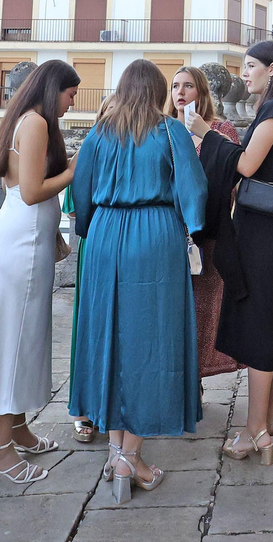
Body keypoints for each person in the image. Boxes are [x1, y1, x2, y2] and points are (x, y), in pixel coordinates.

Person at [69, 59, 208, 502]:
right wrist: (190, 226)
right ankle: (131, 456)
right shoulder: (170, 131)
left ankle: (115, 451)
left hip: (106, 238)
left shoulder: (99, 133)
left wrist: (96, 228)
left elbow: (81, 196)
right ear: (157, 90)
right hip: (155, 238)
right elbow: (195, 193)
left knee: (108, 338)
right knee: (150, 342)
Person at [0, 60, 80, 484]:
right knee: (12, 344)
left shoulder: (27, 120)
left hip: (24, 241)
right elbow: (32, 192)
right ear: (56, 91)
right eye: (71, 95)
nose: (72, 103)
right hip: (21, 245)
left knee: (23, 338)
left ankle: (17, 429)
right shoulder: (36, 124)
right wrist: (74, 168)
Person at [211, 40, 273, 464]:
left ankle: (255, 431)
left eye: (250, 66)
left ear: (272, 68)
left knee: (261, 326)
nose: (243, 74)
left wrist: (204, 136)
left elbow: (246, 165)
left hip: (262, 231)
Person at [168, 65, 241, 380]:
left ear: (201, 91)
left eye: (187, 86)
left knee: (203, 309)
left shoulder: (222, 130)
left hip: (209, 234)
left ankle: (194, 379)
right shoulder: (165, 129)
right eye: (175, 86)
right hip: (169, 233)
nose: (180, 92)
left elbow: (236, 181)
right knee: (173, 307)